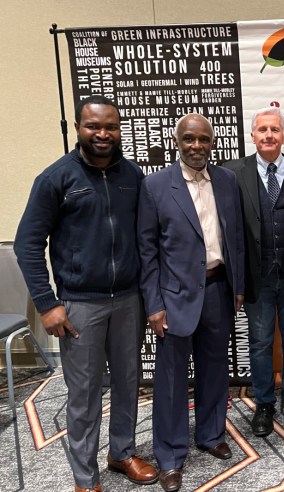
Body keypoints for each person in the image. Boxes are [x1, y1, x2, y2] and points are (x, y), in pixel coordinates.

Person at [14, 95, 158, 492]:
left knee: (129, 381)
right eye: (94, 126)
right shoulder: (56, 178)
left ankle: (122, 452)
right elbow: (27, 244)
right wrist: (47, 303)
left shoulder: (133, 175)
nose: (103, 133)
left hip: (129, 298)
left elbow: (146, 238)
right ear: (78, 127)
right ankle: (85, 477)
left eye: (110, 126)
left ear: (119, 129)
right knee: (84, 393)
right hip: (79, 304)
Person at [137, 113, 244, 492]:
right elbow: (147, 252)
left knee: (215, 369)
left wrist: (238, 287)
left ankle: (211, 433)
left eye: (204, 139)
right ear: (177, 141)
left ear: (212, 142)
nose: (197, 146)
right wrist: (153, 305)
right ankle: (169, 456)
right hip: (173, 297)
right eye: (189, 139)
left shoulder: (227, 180)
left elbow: (236, 238)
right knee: (170, 382)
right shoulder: (155, 186)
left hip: (218, 290)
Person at [224, 107, 284, 437]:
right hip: (257, 275)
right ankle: (264, 402)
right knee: (260, 342)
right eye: (262, 130)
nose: (268, 135)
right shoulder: (233, 173)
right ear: (252, 136)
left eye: (274, 130)